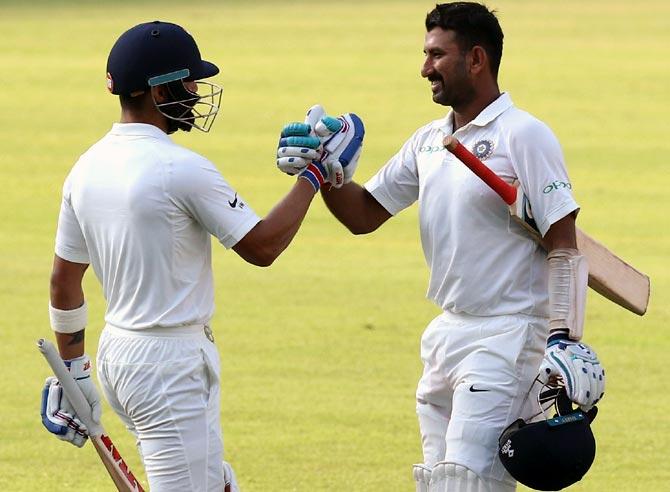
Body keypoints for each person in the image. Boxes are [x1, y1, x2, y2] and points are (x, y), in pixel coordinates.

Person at [277, 3, 605, 491]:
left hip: (507, 334)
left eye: (437, 55)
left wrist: (563, 338)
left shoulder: (525, 136)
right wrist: (324, 172)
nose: (425, 67)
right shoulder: (430, 140)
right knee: (437, 481)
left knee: (466, 483)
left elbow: (564, 243)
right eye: (425, 54)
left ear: (476, 59)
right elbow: (364, 214)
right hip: (446, 333)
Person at [40, 21, 363, 492]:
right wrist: (312, 175)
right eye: (188, 82)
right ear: (158, 89)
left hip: (118, 356)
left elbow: (63, 283)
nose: (195, 92)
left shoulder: (86, 167)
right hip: (167, 366)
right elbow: (263, 246)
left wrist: (74, 368)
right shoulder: (180, 168)